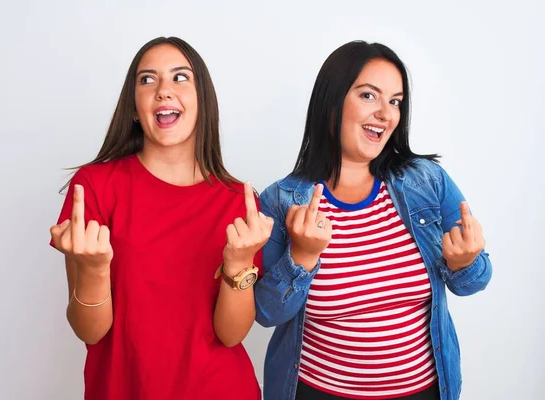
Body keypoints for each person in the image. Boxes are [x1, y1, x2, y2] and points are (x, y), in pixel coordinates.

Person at [254, 40, 492, 400]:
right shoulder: (280, 200)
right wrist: (301, 257)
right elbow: (266, 312)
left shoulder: (427, 182)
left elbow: (474, 281)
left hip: (424, 392)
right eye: (369, 96)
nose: (386, 113)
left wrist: (465, 263)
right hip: (317, 392)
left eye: (395, 101)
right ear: (332, 102)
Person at [49, 36, 272, 400]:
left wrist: (239, 262)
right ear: (134, 108)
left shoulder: (239, 202)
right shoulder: (94, 187)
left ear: (203, 101)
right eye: (147, 79)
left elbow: (231, 335)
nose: (163, 90)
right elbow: (90, 332)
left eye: (180, 77)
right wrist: (93, 270)